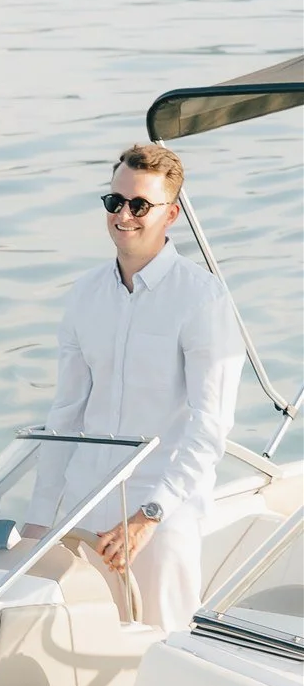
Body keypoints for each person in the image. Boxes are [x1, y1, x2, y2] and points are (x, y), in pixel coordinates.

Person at [25, 143, 245, 629]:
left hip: (162, 509)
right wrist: (39, 518)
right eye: (114, 202)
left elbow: (210, 428)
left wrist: (149, 516)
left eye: (139, 205)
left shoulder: (202, 300)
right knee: (84, 641)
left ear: (172, 214)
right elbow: (65, 415)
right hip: (84, 501)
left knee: (164, 644)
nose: (124, 215)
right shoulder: (84, 295)